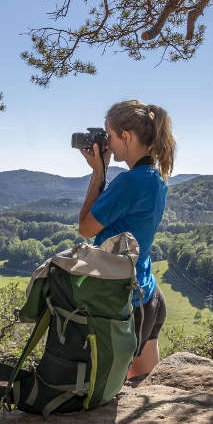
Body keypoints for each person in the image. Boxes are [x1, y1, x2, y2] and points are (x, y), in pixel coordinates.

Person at [78, 99, 174, 381]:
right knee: (146, 385)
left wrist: (98, 173)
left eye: (109, 134)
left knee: (110, 391)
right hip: (149, 294)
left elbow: (85, 228)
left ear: (127, 136)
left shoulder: (129, 182)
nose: (106, 142)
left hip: (125, 303)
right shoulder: (157, 177)